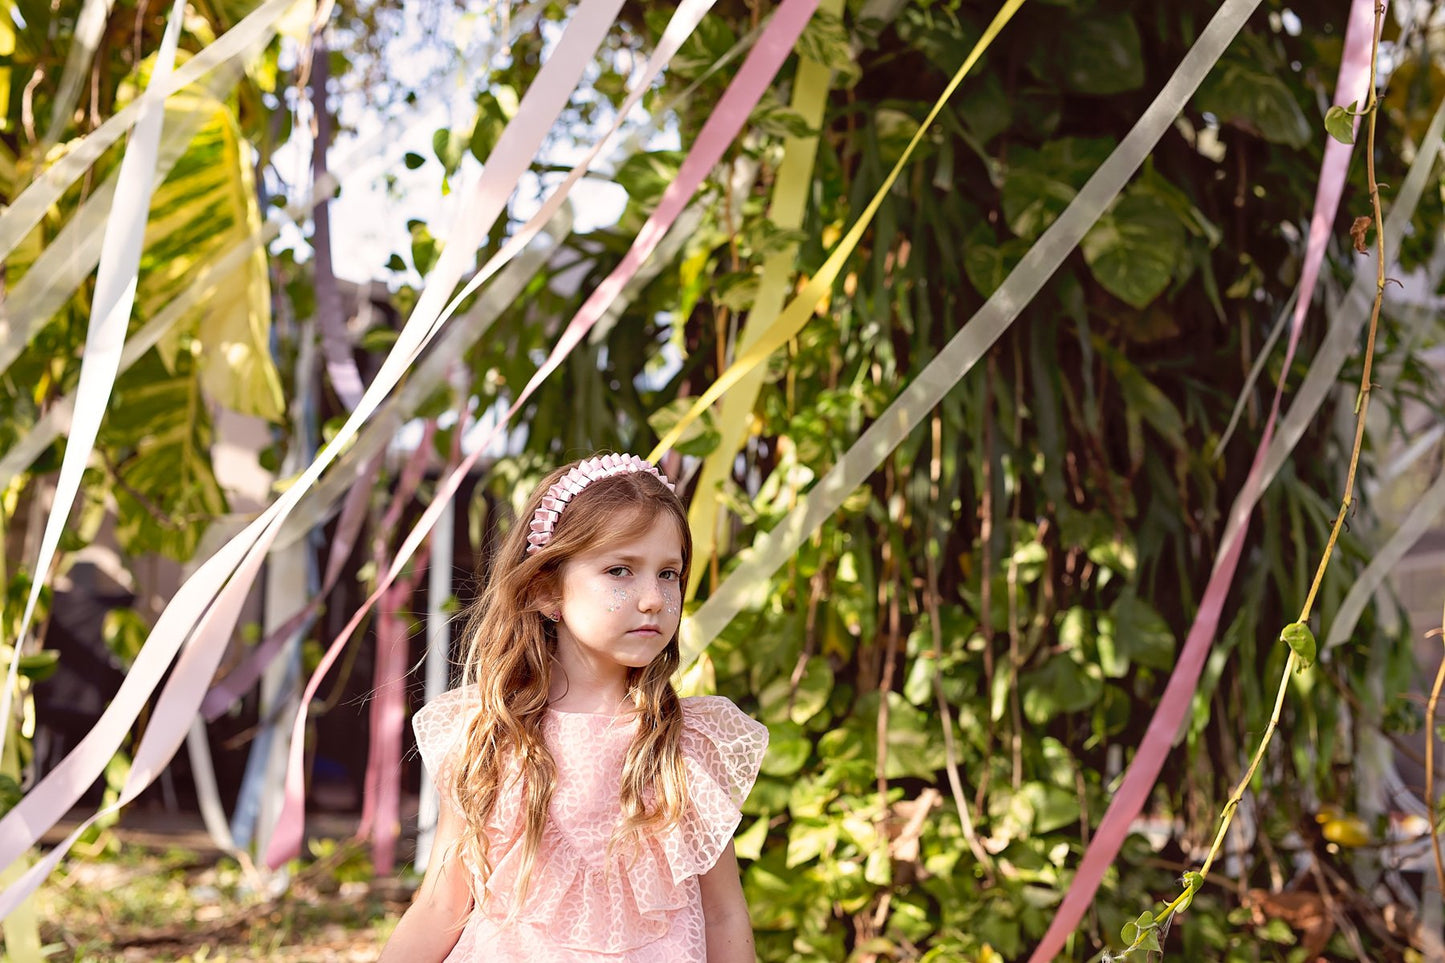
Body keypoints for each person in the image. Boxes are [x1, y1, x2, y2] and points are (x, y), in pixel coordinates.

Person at [379, 453, 769, 962]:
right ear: (545, 590)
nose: (653, 598)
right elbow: (440, 904)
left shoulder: (688, 742)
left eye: (669, 574)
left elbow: (723, 913)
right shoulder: (490, 732)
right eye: (621, 570)